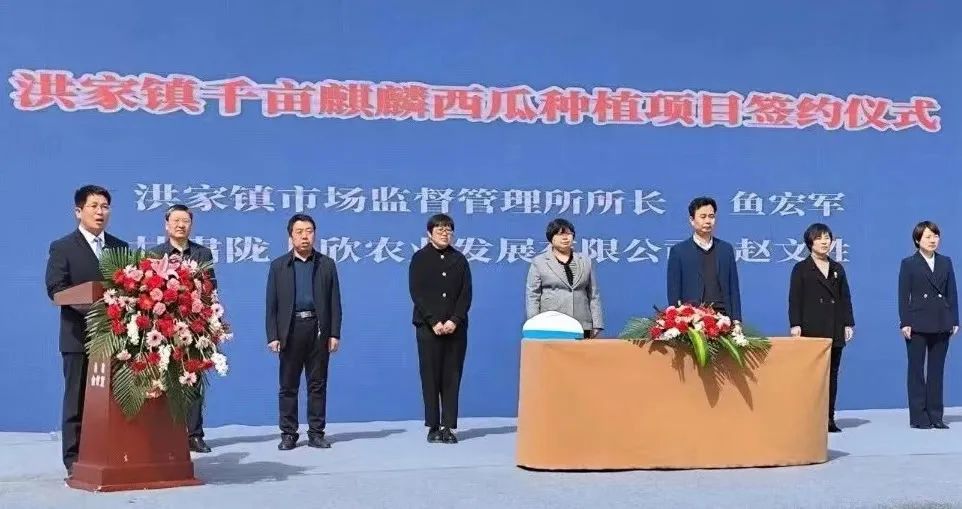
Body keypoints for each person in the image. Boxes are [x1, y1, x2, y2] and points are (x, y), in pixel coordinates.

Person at [45, 185, 128, 474]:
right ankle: (73, 459)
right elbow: (56, 289)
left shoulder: (120, 247)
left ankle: (112, 453)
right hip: (78, 336)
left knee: (114, 400)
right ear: (78, 211)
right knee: (77, 400)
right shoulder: (63, 247)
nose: (100, 212)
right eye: (94, 206)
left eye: (105, 206)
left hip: (116, 338)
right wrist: (95, 310)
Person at [266, 214, 342, 449]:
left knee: (317, 384)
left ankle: (316, 433)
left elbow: (335, 302)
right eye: (299, 232)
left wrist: (334, 333)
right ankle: (288, 434)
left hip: (318, 329)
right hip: (290, 330)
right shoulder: (279, 266)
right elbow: (271, 304)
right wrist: (273, 335)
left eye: (309, 231)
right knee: (288, 386)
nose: (305, 236)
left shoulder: (326, 264)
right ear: (290, 236)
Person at [148, 204, 215, 453]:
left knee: (193, 379)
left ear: (191, 225)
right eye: (175, 220)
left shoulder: (202, 253)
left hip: (194, 325)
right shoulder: (155, 254)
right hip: (164, 326)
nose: (180, 225)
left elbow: (211, 286)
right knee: (164, 378)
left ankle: (194, 435)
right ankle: (167, 434)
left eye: (185, 221)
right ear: (166, 225)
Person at [408, 214, 473, 444]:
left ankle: (448, 427)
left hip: (456, 328)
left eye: (448, 230)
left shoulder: (460, 260)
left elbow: (466, 294)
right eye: (440, 230)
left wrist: (454, 320)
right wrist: (434, 321)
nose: (445, 234)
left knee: (452, 377)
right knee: (430, 377)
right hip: (428, 328)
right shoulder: (420, 258)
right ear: (429, 234)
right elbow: (417, 292)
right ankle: (433, 426)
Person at [788, 223, 854, 433]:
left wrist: (848, 323)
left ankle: (828, 418)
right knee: (813, 376)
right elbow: (794, 299)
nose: (825, 242)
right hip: (811, 328)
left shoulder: (837, 268)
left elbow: (845, 298)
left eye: (827, 238)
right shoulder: (801, 268)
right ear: (810, 242)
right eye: (819, 238)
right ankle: (810, 418)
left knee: (832, 375)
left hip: (834, 327)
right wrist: (795, 324)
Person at [898, 220, 958, 430]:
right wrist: (905, 322)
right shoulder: (909, 263)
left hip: (942, 320)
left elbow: (952, 292)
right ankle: (919, 416)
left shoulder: (945, 262)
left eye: (935, 236)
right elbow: (903, 295)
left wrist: (954, 320)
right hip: (917, 322)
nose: (933, 240)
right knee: (916, 370)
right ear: (917, 240)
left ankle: (936, 415)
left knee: (936, 371)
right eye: (928, 237)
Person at [666, 196, 741, 322]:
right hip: (691, 321)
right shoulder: (679, 252)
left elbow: (734, 289)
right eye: (703, 216)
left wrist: (737, 320)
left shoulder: (726, 249)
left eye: (711, 216)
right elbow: (674, 292)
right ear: (692, 220)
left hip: (723, 319)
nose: (708, 221)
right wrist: (677, 321)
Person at [525, 218, 603, 338]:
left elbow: (593, 294)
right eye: (560, 234)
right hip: (551, 325)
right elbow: (532, 295)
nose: (565, 237)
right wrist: (534, 323)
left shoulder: (585, 261)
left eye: (569, 234)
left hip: (582, 324)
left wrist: (597, 323)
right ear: (551, 238)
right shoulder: (539, 262)